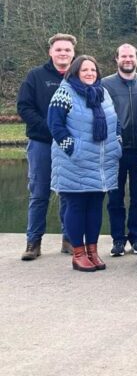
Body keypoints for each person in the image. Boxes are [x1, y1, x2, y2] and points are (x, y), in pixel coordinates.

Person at [47, 55, 122, 271]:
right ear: (75, 72)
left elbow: (115, 121)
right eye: (84, 70)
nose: (90, 73)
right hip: (75, 162)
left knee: (95, 208)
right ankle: (78, 253)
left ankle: (93, 251)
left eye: (93, 70)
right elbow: (55, 124)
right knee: (77, 206)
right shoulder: (65, 92)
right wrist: (73, 148)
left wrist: (117, 142)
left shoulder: (103, 93)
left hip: (101, 163)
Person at [19, 33, 76, 260]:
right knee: (39, 193)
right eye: (59, 49)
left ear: (73, 53)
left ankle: (69, 239)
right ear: (51, 52)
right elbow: (24, 107)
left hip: (69, 145)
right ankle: (33, 242)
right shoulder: (35, 76)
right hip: (41, 143)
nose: (63, 53)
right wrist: (50, 129)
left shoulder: (79, 77)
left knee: (68, 193)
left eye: (67, 50)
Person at [102, 44, 137, 257]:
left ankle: (136, 237)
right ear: (116, 59)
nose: (127, 59)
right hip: (115, 150)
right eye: (123, 56)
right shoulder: (105, 84)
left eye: (131, 56)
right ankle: (117, 239)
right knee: (114, 198)